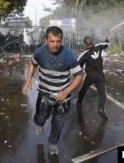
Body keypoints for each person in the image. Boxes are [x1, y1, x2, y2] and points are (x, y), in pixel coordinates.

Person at [22, 26, 83, 155]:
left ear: (61, 41)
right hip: (44, 94)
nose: (55, 45)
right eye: (52, 41)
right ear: (46, 40)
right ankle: (39, 123)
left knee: (58, 123)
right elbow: (33, 64)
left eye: (58, 41)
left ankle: (53, 143)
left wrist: (67, 91)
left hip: (62, 97)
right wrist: (28, 80)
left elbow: (79, 76)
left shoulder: (68, 55)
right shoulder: (39, 52)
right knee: (40, 116)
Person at [76, 32, 110, 120]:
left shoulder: (84, 53)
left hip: (89, 76)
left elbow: (77, 64)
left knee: (83, 89)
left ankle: (79, 103)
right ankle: (101, 108)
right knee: (103, 93)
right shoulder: (98, 47)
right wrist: (106, 37)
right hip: (100, 75)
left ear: (84, 44)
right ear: (92, 42)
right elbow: (106, 44)